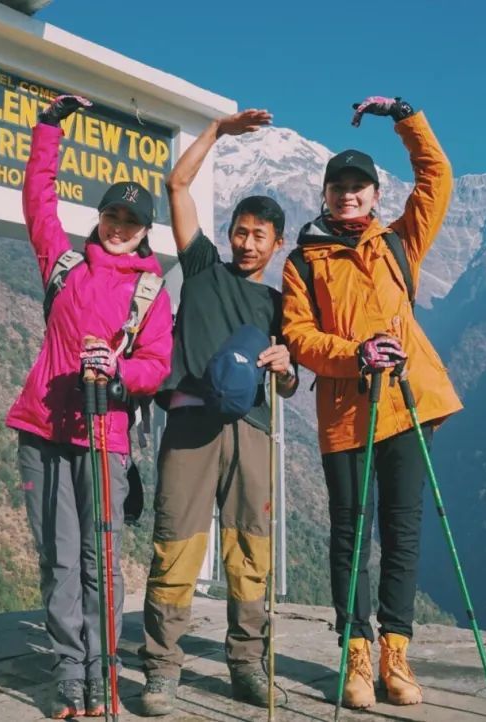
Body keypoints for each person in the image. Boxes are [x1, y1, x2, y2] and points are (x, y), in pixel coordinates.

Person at [281, 96, 462, 710]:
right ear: (326, 196)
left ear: (375, 196)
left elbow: (437, 179)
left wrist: (404, 116)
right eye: (339, 187)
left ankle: (396, 654)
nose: (349, 195)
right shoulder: (304, 260)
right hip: (346, 412)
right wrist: (357, 353)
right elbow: (300, 338)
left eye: (359, 187)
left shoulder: (400, 242)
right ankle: (356, 655)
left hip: (409, 404)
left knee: (402, 530)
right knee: (350, 534)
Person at [6, 94, 173, 719]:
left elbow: (157, 364)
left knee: (102, 564)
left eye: (130, 221)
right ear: (101, 215)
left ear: (145, 230)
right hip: (42, 428)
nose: (118, 226)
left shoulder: (151, 290)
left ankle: (106, 677)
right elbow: (37, 200)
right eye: (112, 215)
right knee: (59, 561)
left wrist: (120, 370)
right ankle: (70, 680)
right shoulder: (65, 262)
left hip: (104, 433)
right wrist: (48, 129)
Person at [137, 109, 298, 716]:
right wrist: (218, 132)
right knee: (175, 543)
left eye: (260, 236)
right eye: (241, 231)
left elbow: (288, 386)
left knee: (250, 551)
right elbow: (177, 186)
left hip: (251, 432)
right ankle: (162, 670)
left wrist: (284, 364)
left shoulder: (280, 303)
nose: (247, 242)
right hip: (192, 424)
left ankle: (245, 665)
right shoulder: (203, 268)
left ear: (277, 244)